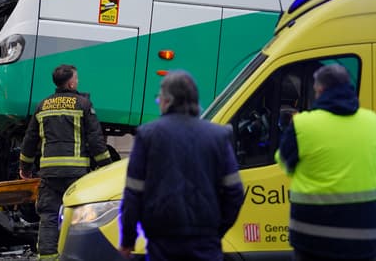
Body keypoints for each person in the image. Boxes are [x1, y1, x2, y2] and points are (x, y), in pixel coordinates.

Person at [119, 70, 244, 261]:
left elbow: (133, 194)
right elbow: (234, 192)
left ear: (168, 101)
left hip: (162, 241)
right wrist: (216, 230)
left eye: (159, 98)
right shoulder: (218, 136)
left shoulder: (147, 135)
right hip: (205, 241)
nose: (159, 102)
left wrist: (128, 240)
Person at [276, 64, 376, 261]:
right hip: (363, 238)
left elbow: (284, 163)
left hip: (314, 240)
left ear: (320, 90)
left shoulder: (303, 124)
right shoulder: (373, 122)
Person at [19, 64, 113, 260]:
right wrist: (106, 169)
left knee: (49, 217)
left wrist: (25, 168)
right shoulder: (83, 105)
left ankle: (47, 257)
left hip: (49, 174)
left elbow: (30, 141)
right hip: (76, 174)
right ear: (70, 83)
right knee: (79, 217)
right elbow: (96, 140)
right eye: (76, 79)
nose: (77, 81)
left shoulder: (42, 105)